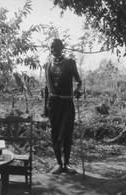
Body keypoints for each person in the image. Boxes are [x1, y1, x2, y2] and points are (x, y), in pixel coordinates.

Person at [42, 38, 82, 174]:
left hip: (67, 102)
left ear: (61, 47)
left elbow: (78, 81)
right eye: (51, 48)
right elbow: (46, 88)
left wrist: (78, 90)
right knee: (55, 133)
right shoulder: (47, 65)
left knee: (66, 132)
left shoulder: (70, 63)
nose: (53, 50)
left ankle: (67, 163)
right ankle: (59, 163)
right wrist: (45, 107)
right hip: (53, 104)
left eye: (55, 47)